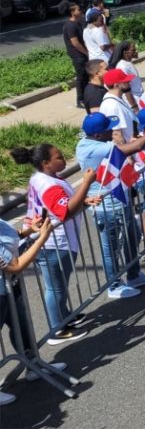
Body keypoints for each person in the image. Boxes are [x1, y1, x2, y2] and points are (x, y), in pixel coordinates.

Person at [76, 111, 145, 298]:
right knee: (111, 249)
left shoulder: (93, 142)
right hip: (107, 207)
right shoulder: (97, 149)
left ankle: (134, 275)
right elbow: (139, 146)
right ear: (97, 135)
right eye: (108, 129)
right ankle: (114, 285)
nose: (112, 131)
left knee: (132, 238)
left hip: (119, 201)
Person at [10, 145, 97, 344]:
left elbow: (59, 204)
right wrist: (85, 183)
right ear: (45, 163)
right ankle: (57, 329)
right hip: (53, 243)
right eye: (59, 157)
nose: (64, 159)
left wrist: (84, 201)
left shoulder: (42, 178)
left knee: (59, 284)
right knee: (56, 287)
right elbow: (64, 211)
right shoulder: (48, 184)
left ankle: (64, 315)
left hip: (53, 240)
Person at [0, 215, 68, 405]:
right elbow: (14, 265)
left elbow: (13, 235)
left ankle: (33, 364)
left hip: (10, 287)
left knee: (22, 326)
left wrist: (30, 231)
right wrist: (42, 239)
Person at [62, 3, 89, 108]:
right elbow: (75, 43)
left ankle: (86, 96)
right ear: (72, 12)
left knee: (86, 76)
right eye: (78, 9)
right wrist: (86, 52)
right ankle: (80, 99)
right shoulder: (70, 26)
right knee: (81, 77)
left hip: (82, 54)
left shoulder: (77, 23)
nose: (81, 11)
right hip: (78, 55)